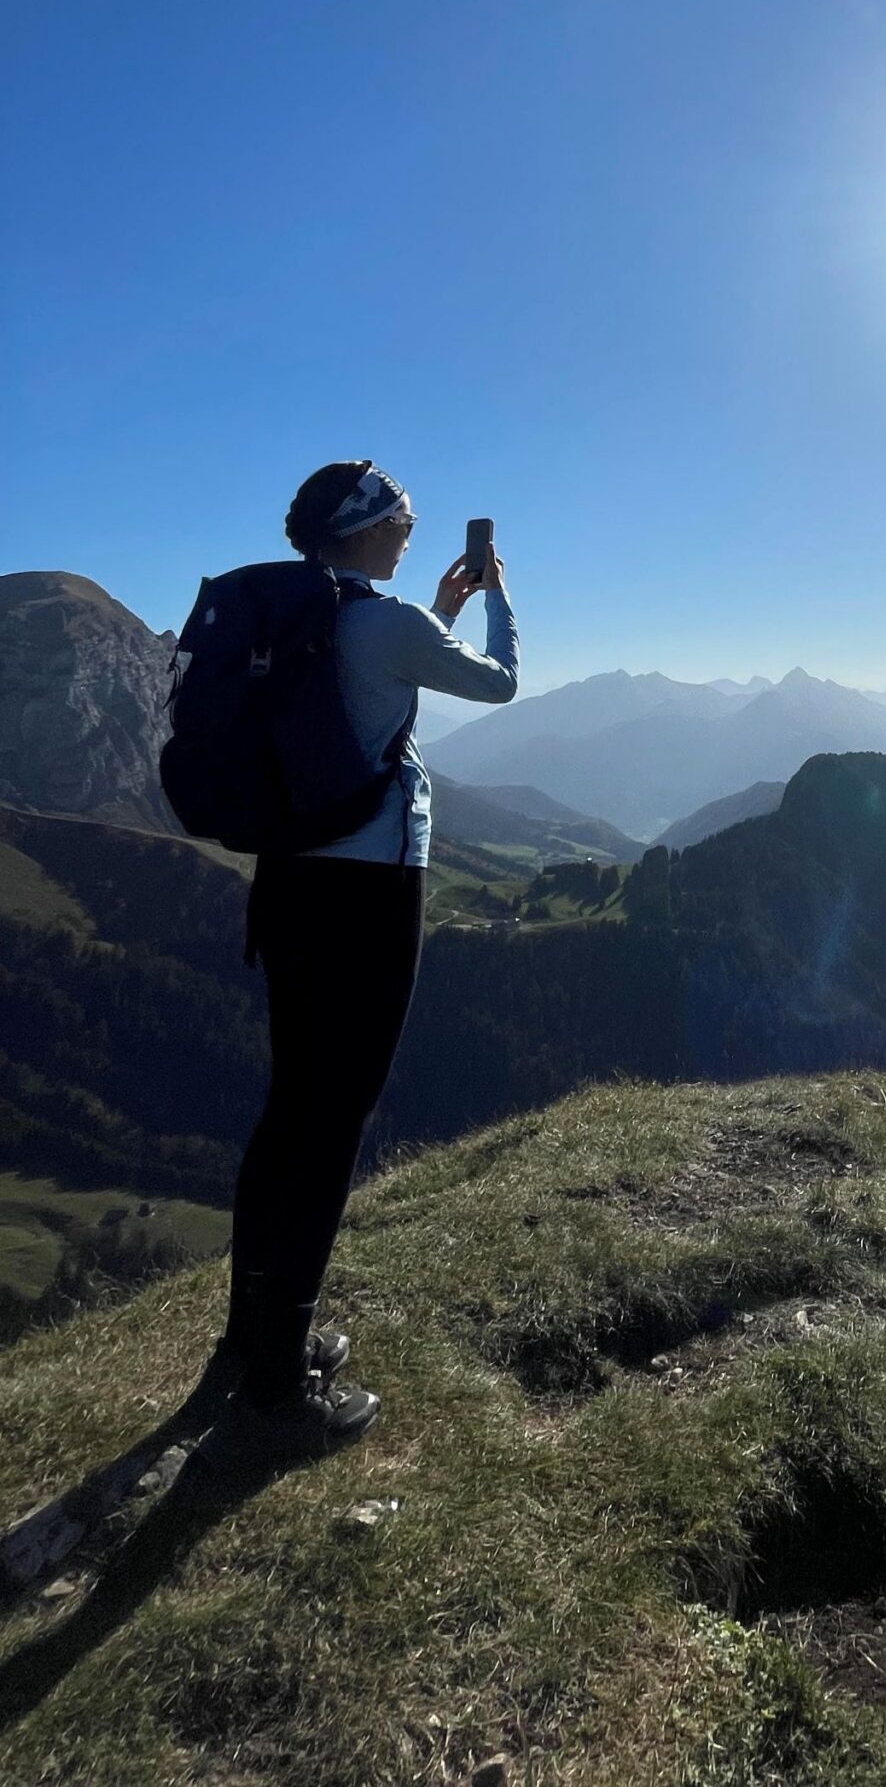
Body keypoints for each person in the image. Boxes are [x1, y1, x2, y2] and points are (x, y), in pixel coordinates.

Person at [202, 461, 518, 1455]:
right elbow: (499, 683)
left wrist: (432, 609)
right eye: (406, 517)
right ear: (371, 523)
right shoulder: (381, 624)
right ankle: (277, 1392)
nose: (415, 527)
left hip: (290, 887)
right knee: (334, 1126)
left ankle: (251, 1339)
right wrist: (496, 600)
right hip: (367, 897)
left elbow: (368, 683)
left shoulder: (322, 615)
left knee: (289, 1110)